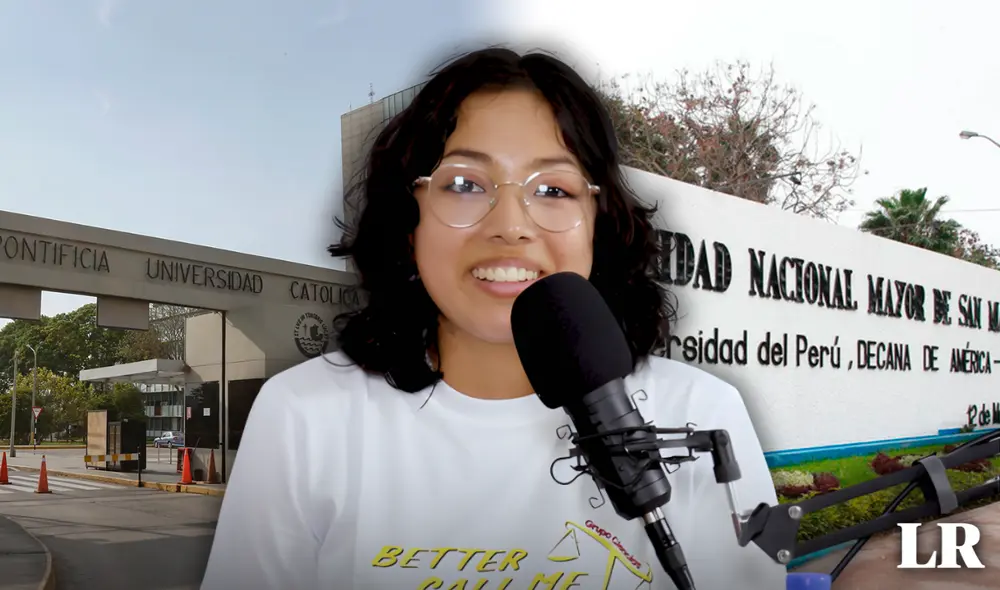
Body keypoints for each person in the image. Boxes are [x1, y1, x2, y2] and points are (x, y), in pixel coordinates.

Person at [200, 47, 787, 590]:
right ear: (410, 220)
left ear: (598, 222)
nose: (510, 224)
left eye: (553, 190)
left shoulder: (701, 411)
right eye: (464, 184)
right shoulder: (305, 414)